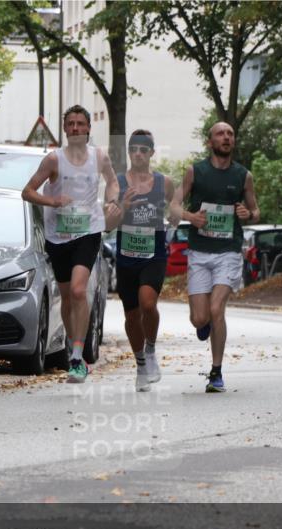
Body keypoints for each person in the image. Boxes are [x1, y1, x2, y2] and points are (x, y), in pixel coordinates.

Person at [22, 105, 120, 383]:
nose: (76, 128)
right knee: (67, 297)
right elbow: (27, 192)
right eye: (71, 124)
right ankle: (72, 347)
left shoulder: (99, 157)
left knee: (79, 290)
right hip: (58, 235)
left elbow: (112, 183)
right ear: (65, 129)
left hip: (88, 231)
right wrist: (51, 201)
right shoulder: (53, 160)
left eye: (80, 124)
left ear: (89, 128)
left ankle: (77, 357)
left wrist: (112, 201)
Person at [171, 122, 259, 393]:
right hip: (199, 252)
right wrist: (190, 217)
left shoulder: (243, 176)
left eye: (230, 134)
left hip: (228, 252)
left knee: (216, 309)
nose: (226, 137)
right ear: (210, 142)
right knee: (199, 318)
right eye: (220, 134)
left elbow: (255, 212)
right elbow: (173, 206)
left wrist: (248, 214)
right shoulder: (194, 171)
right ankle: (204, 325)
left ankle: (216, 372)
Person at [104, 130, 177, 392]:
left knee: (148, 303)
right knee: (132, 315)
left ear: (151, 153)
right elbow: (107, 224)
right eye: (133, 149)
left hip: (154, 253)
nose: (138, 153)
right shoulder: (117, 183)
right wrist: (122, 206)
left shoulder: (164, 182)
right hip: (127, 255)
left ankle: (151, 349)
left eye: (143, 149)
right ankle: (141, 364)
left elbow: (177, 206)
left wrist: (178, 217)